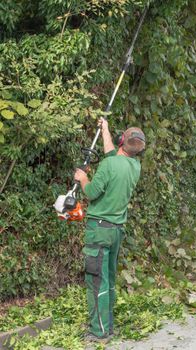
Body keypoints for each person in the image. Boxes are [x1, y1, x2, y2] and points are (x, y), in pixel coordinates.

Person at [74, 117, 145, 342]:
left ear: (122, 139)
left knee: (96, 281)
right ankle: (108, 326)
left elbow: (92, 192)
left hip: (99, 230)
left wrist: (83, 178)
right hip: (115, 231)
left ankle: (99, 332)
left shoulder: (109, 164)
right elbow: (111, 154)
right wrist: (104, 128)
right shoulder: (134, 165)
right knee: (108, 280)